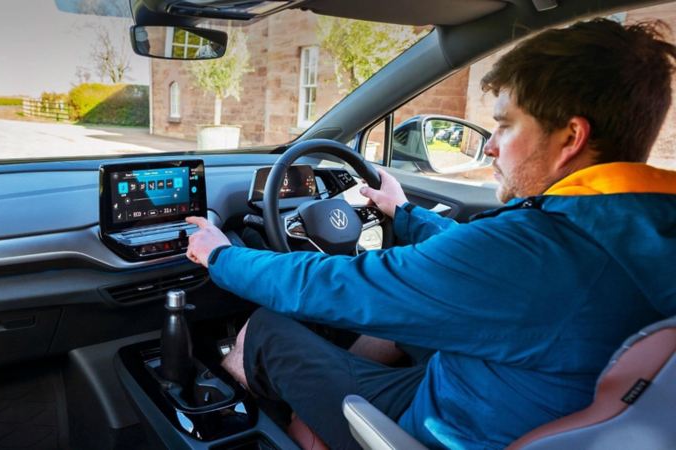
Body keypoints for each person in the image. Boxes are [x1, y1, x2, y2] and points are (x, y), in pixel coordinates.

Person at [186, 18, 676, 449]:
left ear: (571, 138)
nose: (490, 149)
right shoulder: (639, 224)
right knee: (391, 319)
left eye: (504, 127)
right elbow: (468, 261)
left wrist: (221, 256)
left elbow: (341, 284)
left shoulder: (541, 248)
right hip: (522, 398)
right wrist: (402, 213)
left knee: (268, 331)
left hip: (449, 430)